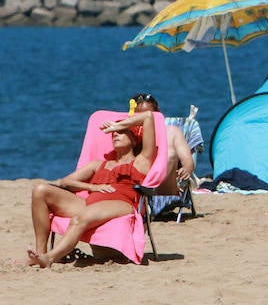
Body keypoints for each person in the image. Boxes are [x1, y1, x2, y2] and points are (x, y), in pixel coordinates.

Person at [25, 110, 159, 268]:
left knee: (79, 218)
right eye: (113, 133)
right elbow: (64, 182)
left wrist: (117, 124)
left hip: (121, 204)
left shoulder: (140, 162)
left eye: (121, 132)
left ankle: (50, 258)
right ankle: (40, 253)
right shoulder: (98, 164)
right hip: (90, 203)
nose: (115, 134)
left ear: (135, 141)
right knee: (40, 190)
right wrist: (92, 187)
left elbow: (149, 117)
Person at [129, 94, 195, 197]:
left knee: (169, 154)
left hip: (165, 186)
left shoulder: (172, 132)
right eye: (139, 116)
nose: (145, 120)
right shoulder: (130, 134)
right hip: (138, 183)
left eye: (148, 115)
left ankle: (148, 191)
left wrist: (186, 169)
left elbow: (187, 159)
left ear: (158, 112)